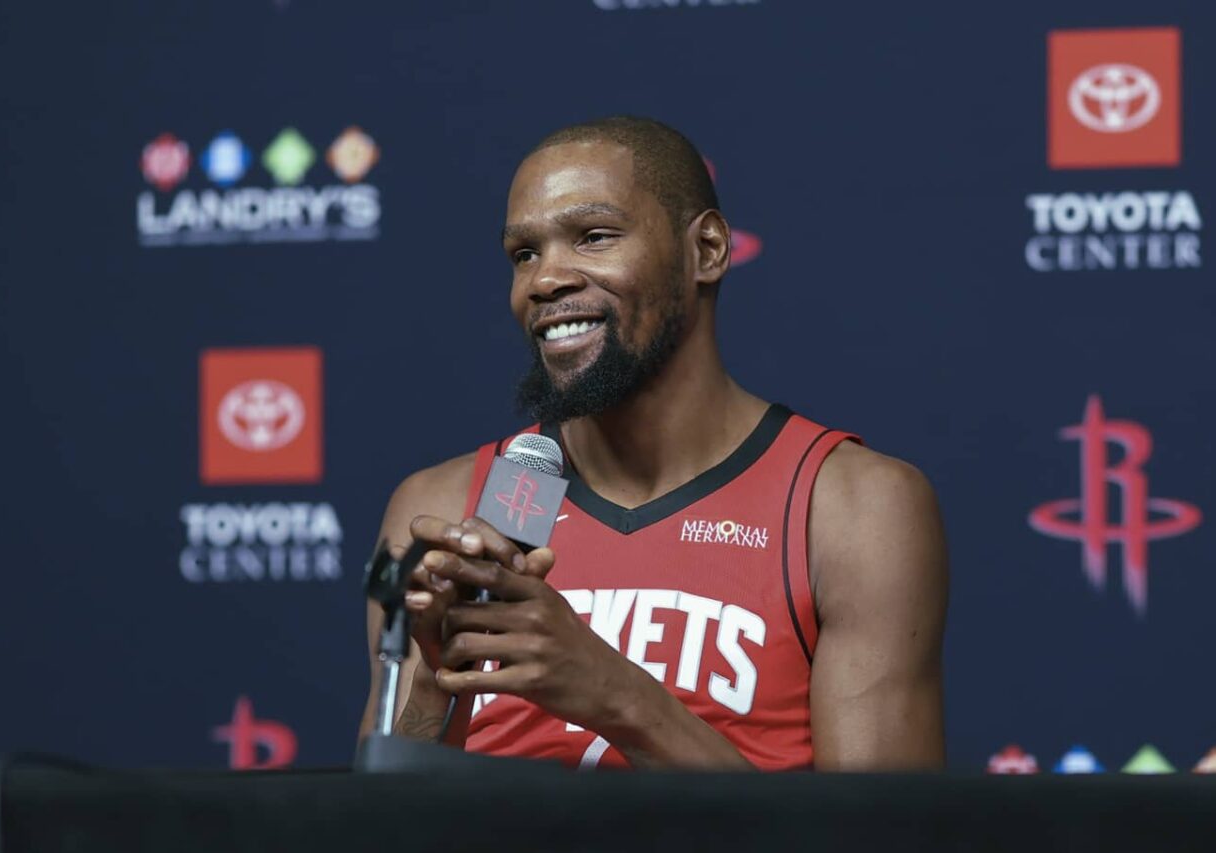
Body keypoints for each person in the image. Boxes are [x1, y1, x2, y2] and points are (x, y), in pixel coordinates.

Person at [361, 116, 946, 771]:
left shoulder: (850, 507)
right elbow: (385, 835)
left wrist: (619, 698)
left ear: (708, 250)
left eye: (594, 236)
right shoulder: (448, 504)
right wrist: (434, 681)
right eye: (524, 253)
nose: (544, 280)